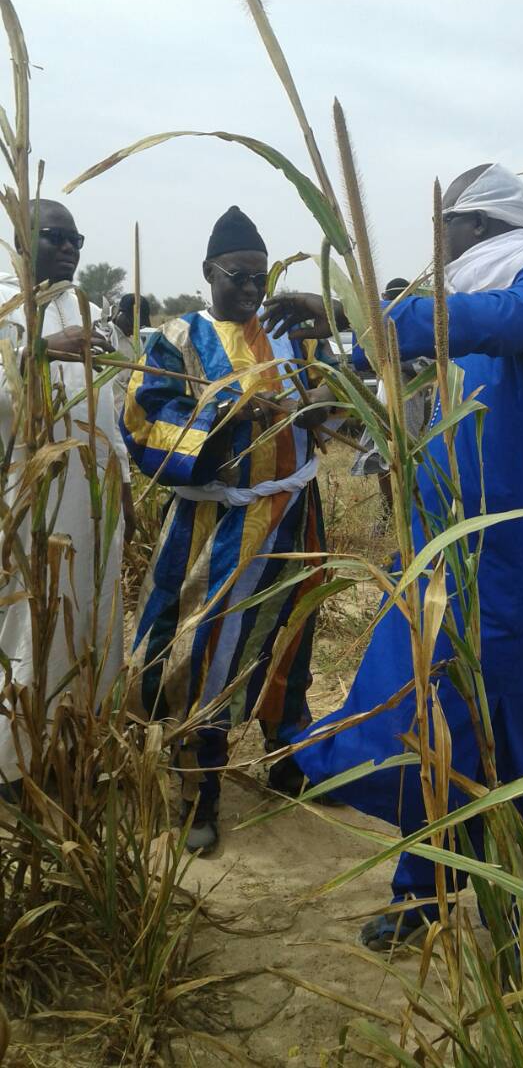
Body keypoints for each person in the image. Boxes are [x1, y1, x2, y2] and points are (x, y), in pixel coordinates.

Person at [262, 163, 523, 949]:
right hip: (443, 552)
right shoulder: (465, 299)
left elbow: (500, 320)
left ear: (476, 225)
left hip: (514, 558)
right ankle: (424, 895)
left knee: (511, 735)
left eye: (443, 226)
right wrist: (342, 318)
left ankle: (518, 919)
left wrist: (378, 312)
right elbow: (397, 351)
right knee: (422, 720)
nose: (435, 241)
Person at [121, 206, 333, 853]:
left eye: (260, 278)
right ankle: (198, 783)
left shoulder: (292, 337)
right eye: (238, 276)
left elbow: (335, 400)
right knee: (203, 648)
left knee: (292, 635)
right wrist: (231, 413)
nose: (250, 288)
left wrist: (322, 397)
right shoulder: (178, 339)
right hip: (217, 522)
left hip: (295, 511)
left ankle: (287, 754)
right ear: (209, 272)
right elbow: (146, 419)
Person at [0, 199, 132, 795]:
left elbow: (103, 409)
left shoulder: (81, 309)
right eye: (56, 236)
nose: (70, 248)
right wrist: (36, 351)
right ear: (20, 238)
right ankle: (16, 763)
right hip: (30, 501)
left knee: (91, 619)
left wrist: (121, 482)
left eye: (77, 239)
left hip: (90, 501)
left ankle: (76, 747)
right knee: (30, 622)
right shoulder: (8, 307)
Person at [351, 277, 430, 523]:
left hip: (409, 404)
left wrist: (393, 361)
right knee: (381, 458)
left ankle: (411, 514)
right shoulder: (380, 328)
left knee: (406, 459)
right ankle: (388, 513)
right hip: (382, 402)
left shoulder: (418, 330)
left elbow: (426, 367)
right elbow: (363, 361)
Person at [111, 293, 156, 413]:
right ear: (120, 314)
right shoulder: (107, 336)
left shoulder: (136, 341)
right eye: (132, 323)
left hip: (129, 409)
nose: (134, 329)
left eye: (138, 326)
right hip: (109, 408)